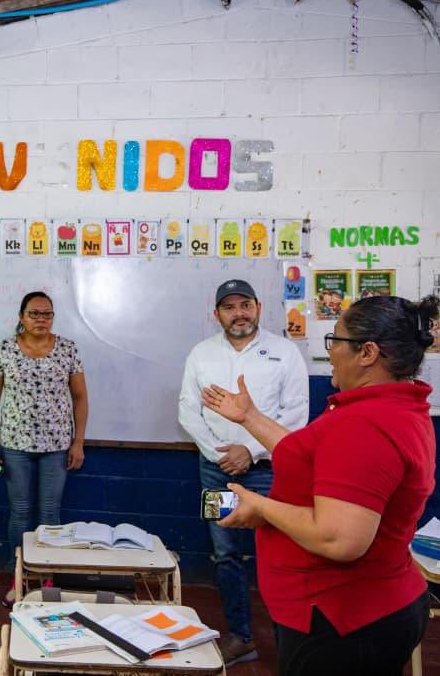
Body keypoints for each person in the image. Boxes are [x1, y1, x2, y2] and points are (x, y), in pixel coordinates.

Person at [202, 295, 440, 676]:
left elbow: (339, 539)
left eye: (336, 341)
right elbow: (307, 456)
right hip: (366, 609)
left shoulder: (364, 424)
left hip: (342, 620)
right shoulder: (391, 407)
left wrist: (261, 507)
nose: (330, 353)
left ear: (367, 352)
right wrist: (250, 417)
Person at [178, 279, 309, 667]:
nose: (239, 313)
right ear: (216, 314)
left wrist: (250, 452)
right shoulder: (201, 354)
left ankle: (289, 642)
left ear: (258, 308)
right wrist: (220, 455)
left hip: (269, 472)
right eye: (230, 307)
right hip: (215, 472)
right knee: (225, 554)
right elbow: (188, 411)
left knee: (280, 553)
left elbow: (296, 415)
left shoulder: (285, 353)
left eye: (245, 305)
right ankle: (240, 637)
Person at [0, 291, 88, 604]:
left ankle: (45, 579)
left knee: (49, 513)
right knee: (19, 513)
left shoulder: (67, 349)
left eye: (47, 314)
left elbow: (80, 398)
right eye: (34, 314)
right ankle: (19, 578)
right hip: (15, 445)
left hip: (56, 446)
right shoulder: (4, 348)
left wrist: (78, 442)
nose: (41, 320)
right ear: (21, 317)